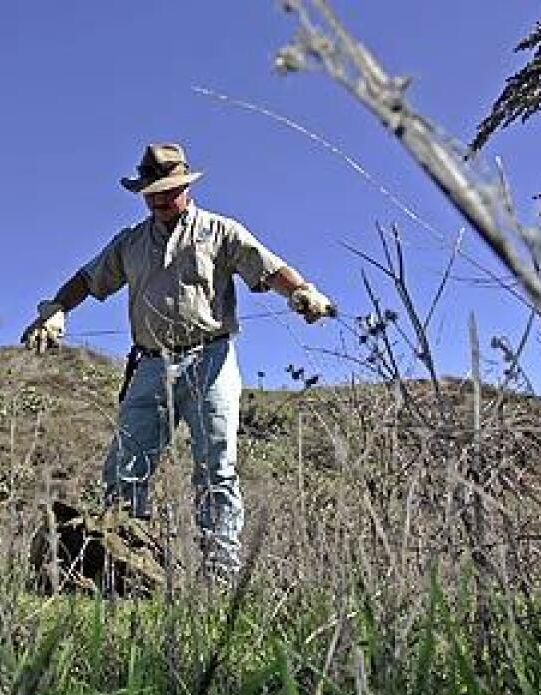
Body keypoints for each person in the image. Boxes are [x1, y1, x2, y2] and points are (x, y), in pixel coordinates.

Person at [21, 142, 336, 581]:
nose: (160, 199)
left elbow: (268, 267)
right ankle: (125, 567)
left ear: (186, 186)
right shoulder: (130, 243)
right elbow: (89, 279)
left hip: (211, 359)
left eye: (168, 190)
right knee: (125, 469)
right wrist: (56, 309)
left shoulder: (221, 232)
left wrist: (301, 290)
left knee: (216, 469)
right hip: (150, 365)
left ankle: (220, 579)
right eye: (152, 192)